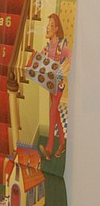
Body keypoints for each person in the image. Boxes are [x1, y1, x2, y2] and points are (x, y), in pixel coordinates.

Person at [38, 13, 71, 161]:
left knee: (52, 112)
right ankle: (63, 143)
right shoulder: (47, 47)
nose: (47, 28)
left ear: (56, 29)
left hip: (59, 84)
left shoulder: (62, 45)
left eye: (50, 26)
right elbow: (41, 60)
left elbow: (70, 56)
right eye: (47, 25)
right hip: (50, 84)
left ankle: (49, 148)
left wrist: (63, 69)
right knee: (56, 113)